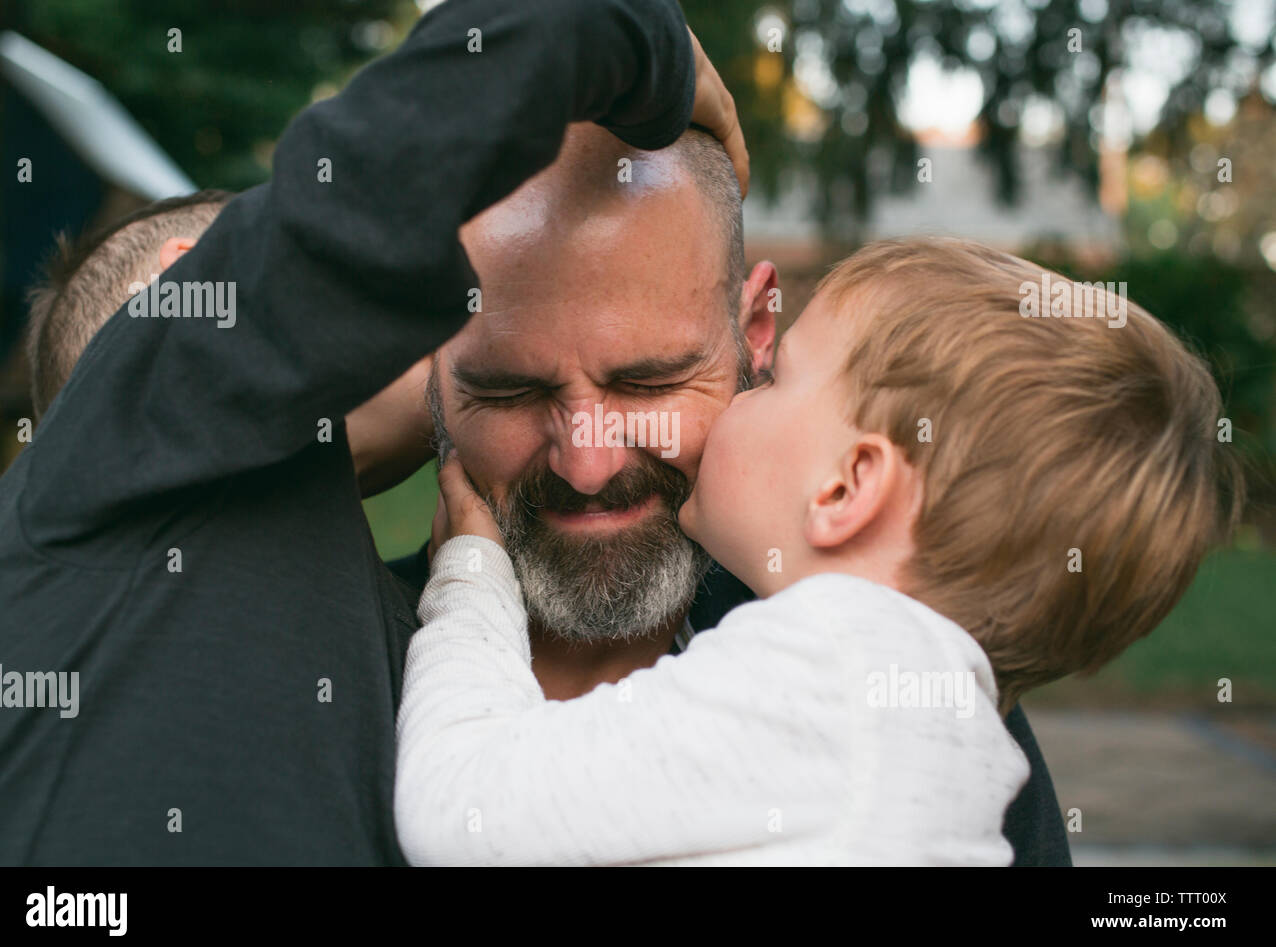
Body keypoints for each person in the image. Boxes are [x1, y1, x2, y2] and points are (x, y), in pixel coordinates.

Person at [0, 0, 738, 864]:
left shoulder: (378, 637)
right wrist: (640, 40)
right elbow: (488, 74)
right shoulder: (143, 408)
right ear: (188, 293)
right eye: (504, 378)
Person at [394, 236, 1242, 866]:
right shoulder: (964, 740)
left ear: (844, 489)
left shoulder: (825, 669)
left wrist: (471, 576)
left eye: (781, 378)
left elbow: (455, 807)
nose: (747, 395)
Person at [387, 122, 1073, 865]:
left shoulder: (888, 688)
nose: (587, 466)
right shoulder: (324, 661)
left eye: (649, 383)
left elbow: (460, 807)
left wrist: (468, 574)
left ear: (754, 333)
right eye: (511, 389)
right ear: (433, 372)